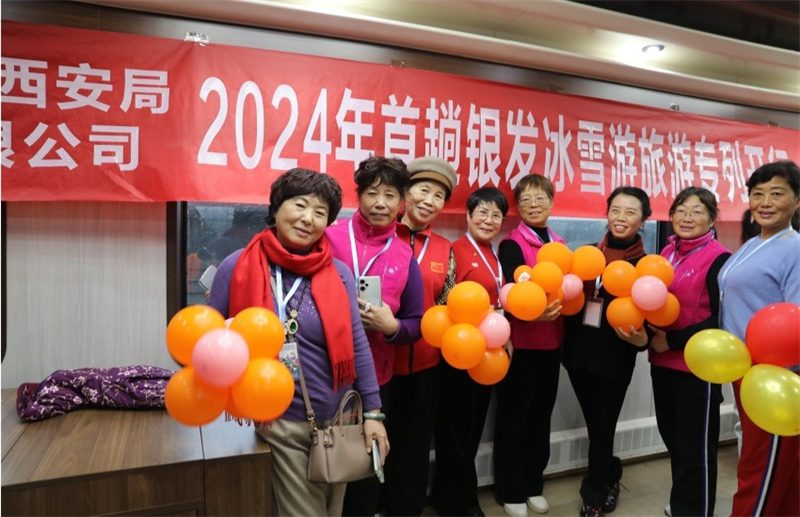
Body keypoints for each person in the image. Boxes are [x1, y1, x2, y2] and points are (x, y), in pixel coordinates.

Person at [206, 168, 388, 516]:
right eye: (300, 205)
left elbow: (358, 345)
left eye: (321, 213)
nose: (308, 219)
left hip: (338, 423)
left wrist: (375, 413)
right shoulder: (237, 266)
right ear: (276, 208)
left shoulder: (339, 273)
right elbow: (206, 338)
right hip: (280, 423)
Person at [324, 155, 424, 517]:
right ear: (358, 196)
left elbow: (417, 321)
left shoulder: (403, 255)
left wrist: (392, 327)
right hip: (320, 377)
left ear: (402, 203)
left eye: (390, 195)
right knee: (319, 470)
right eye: (371, 193)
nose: (380, 203)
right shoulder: (328, 237)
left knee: (365, 473)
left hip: (374, 384)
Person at [562, 186, 652, 517]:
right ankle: (611, 471)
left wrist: (643, 340)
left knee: (602, 428)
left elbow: (651, 325)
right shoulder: (587, 254)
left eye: (631, 212)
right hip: (577, 356)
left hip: (614, 360)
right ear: (606, 212)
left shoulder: (646, 266)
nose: (621, 218)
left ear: (643, 219)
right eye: (616, 209)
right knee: (598, 426)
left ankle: (594, 495)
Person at [719, 160, 800, 517]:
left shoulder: (795, 248)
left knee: (759, 467)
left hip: (775, 377)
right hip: (745, 370)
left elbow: (795, 317)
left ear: (797, 201)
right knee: (784, 468)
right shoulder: (753, 244)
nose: (765, 202)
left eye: (777, 193)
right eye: (757, 194)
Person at [647, 187, 731, 517]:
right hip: (662, 361)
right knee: (674, 439)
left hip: (696, 367)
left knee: (695, 447)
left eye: (697, 211)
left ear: (712, 218)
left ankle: (696, 510)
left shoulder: (719, 258)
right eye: (680, 211)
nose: (687, 218)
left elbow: (721, 318)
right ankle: (684, 501)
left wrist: (674, 340)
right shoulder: (667, 254)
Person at [386, 155, 458, 516]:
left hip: (426, 366)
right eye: (423, 190)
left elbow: (448, 302)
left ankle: (407, 509)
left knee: (414, 447)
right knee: (376, 444)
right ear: (406, 193)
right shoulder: (381, 237)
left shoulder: (445, 250)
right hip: (380, 365)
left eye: (438, 196)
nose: (429, 201)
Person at [432, 186, 510, 517]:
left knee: (473, 428)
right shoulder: (455, 250)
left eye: (496, 215)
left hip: (488, 355)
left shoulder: (494, 254)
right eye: (483, 212)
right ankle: (461, 504)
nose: (489, 220)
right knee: (456, 432)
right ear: (468, 215)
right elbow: (443, 302)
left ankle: (447, 496)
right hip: (460, 354)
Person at [494, 174, 565, 517]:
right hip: (520, 346)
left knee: (541, 418)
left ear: (552, 202)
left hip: (553, 346)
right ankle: (511, 489)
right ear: (518, 208)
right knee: (514, 420)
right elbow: (512, 292)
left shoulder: (561, 244)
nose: (534, 205)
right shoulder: (512, 245)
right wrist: (534, 315)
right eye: (526, 201)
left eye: (540, 199)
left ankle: (534, 483)